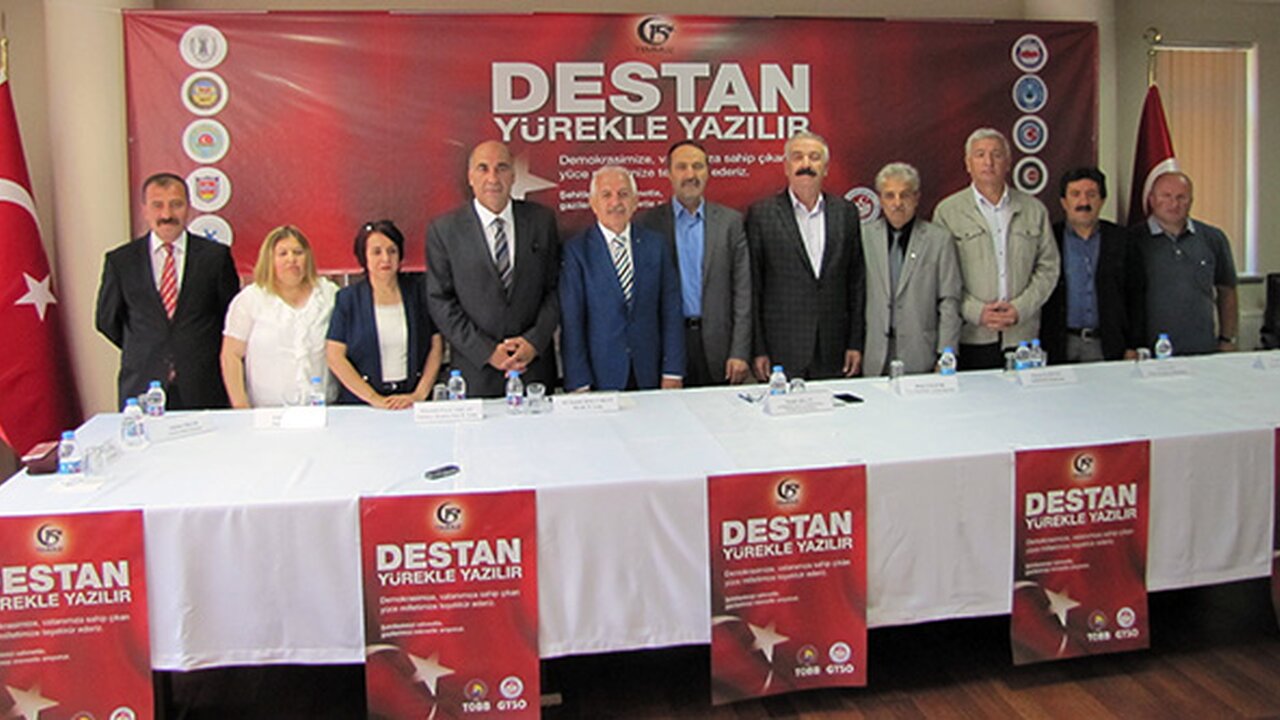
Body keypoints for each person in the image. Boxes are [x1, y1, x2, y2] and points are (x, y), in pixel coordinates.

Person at [426, 140, 561, 397]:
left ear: (513, 175)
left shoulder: (541, 221)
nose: (493, 178)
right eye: (483, 168)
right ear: (470, 177)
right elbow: (440, 301)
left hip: (533, 369)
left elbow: (555, 289)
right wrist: (487, 352)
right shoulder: (444, 231)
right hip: (475, 373)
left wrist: (534, 342)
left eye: (501, 168)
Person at [95, 172, 239, 409]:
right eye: (157, 205)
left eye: (176, 204)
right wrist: (145, 344)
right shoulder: (121, 261)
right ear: (144, 210)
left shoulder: (215, 257)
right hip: (142, 385)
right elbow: (107, 320)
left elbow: (231, 319)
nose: (167, 215)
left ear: (188, 207)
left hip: (203, 385)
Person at [933, 128, 1060, 370]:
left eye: (996, 155)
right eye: (980, 155)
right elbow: (941, 277)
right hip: (971, 336)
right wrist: (975, 311)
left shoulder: (1034, 210)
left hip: (1022, 335)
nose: (988, 162)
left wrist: (1020, 308)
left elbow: (1049, 267)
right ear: (968, 163)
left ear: (1008, 162)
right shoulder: (948, 212)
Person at [746, 131, 865, 381]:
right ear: (786, 167)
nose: (806, 164)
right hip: (781, 349)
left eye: (814, 157)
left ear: (826, 168)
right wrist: (758, 349)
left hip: (834, 347)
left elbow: (856, 283)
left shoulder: (846, 213)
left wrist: (855, 343)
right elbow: (754, 287)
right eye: (798, 157)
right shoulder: (761, 214)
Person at [637, 140, 751, 386]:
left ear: (708, 172)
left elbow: (743, 292)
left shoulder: (730, 223)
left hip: (721, 348)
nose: (690, 174)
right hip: (665, 347)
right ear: (668, 173)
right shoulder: (648, 224)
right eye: (682, 167)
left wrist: (740, 351)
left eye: (698, 166)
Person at [560, 166, 684, 391]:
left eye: (623, 194)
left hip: (650, 373)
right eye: (606, 195)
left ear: (635, 202)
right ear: (593, 203)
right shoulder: (577, 252)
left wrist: (672, 371)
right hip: (600, 376)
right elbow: (572, 323)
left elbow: (671, 311)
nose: (615, 202)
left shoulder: (656, 245)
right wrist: (579, 383)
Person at [326, 221, 443, 408]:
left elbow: (436, 345)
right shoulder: (348, 299)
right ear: (364, 257)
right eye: (376, 252)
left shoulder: (419, 294)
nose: (386, 258)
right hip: (362, 405)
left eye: (392, 251)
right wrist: (373, 398)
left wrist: (419, 394)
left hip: (412, 400)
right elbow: (335, 356)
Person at [860, 162, 962, 376]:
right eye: (890, 195)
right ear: (880, 199)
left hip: (921, 354)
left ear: (916, 198)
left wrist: (946, 354)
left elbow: (949, 301)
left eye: (904, 195)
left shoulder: (939, 240)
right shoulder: (863, 237)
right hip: (874, 354)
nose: (897, 203)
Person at [220, 225, 338, 408]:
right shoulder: (250, 299)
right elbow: (231, 355)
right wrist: (241, 407)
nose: (291, 259)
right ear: (269, 260)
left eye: (298, 252)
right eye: (283, 254)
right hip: (266, 413)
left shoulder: (329, 295)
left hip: (323, 409)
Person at [1129, 171, 1238, 355]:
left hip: (1203, 350)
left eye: (1181, 197)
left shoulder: (1213, 238)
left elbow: (1227, 290)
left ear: (1191, 201)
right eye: (1166, 196)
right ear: (1151, 200)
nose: (1174, 204)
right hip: (1149, 351)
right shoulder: (1131, 240)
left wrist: (1227, 339)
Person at [1040, 167, 1136, 363]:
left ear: (1102, 200)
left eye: (1091, 195)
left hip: (1108, 344)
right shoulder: (1049, 238)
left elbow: (1136, 295)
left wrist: (1133, 344)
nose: (1083, 202)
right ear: (1064, 202)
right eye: (1075, 194)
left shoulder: (1122, 239)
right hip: (1059, 344)